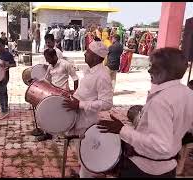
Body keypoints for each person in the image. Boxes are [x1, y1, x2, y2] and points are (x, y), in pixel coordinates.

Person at [98, 47, 193, 178]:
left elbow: (160, 145)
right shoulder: (187, 93)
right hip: (168, 167)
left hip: (145, 169)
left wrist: (122, 130)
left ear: (167, 71)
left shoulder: (161, 101)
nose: (149, 70)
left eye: (154, 67)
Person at [62, 40, 113, 178]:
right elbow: (87, 93)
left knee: (87, 156)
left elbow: (107, 103)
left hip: (87, 122)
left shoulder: (102, 76)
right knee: (81, 153)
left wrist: (80, 105)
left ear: (96, 57)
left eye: (88, 52)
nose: (85, 53)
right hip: (78, 119)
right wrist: (75, 95)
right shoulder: (90, 71)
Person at [37, 48, 79, 142]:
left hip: (63, 94)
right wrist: (36, 82)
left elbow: (75, 78)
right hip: (52, 95)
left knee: (63, 115)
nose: (47, 61)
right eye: (46, 58)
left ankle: (66, 134)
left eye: (48, 58)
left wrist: (75, 93)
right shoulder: (50, 67)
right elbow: (46, 80)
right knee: (48, 114)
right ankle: (47, 134)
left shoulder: (65, 64)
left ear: (55, 56)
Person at [0, 38, 16, 119]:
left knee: (0, 93)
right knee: (3, 92)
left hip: (5, 76)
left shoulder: (8, 54)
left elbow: (14, 64)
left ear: (4, 45)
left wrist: (6, 65)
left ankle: (4, 111)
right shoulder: (0, 53)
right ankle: (6, 108)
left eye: (0, 46)